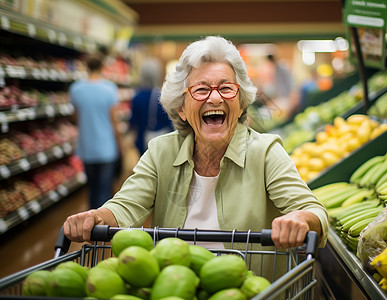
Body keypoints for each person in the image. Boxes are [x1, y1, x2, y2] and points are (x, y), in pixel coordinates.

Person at [64, 36, 329, 252]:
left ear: (240, 104)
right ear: (181, 108)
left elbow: (313, 211)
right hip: (175, 285)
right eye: (201, 90)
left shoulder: (266, 152)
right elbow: (126, 205)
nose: (214, 98)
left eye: (226, 88)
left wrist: (300, 219)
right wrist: (97, 217)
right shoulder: (161, 152)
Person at [69, 53, 122, 209]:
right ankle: (101, 229)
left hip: (86, 147)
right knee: (104, 190)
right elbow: (114, 121)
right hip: (106, 147)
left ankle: (90, 226)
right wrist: (120, 144)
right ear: (102, 67)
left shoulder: (76, 89)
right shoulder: (109, 89)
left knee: (91, 188)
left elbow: (75, 117)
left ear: (87, 67)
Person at [129, 58, 173, 155]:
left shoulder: (137, 97)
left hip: (143, 141)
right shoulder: (163, 96)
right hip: (164, 139)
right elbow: (170, 121)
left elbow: (133, 122)